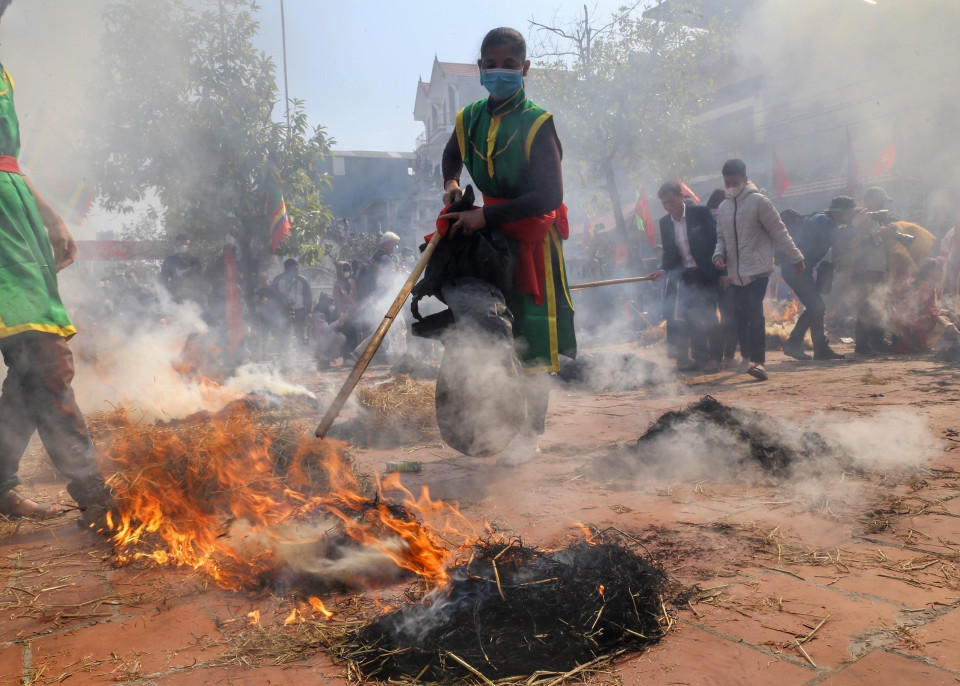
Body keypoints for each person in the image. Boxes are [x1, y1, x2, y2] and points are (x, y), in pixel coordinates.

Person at [438, 26, 575, 465]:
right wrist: (452, 184)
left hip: (532, 240)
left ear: (525, 68)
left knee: (532, 337)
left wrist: (486, 216)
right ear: (479, 68)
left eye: (509, 65)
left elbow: (550, 195)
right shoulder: (469, 117)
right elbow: (451, 156)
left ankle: (530, 436)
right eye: (492, 65)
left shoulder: (538, 123)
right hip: (491, 239)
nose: (500, 72)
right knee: (492, 333)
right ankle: (494, 427)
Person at [0, 8, 111, 522]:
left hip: (15, 216)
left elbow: (9, 161)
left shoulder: (3, 73)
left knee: (30, 371)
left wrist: (51, 218)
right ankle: (94, 494)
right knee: (44, 360)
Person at [712, 159, 805, 381]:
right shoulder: (723, 208)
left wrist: (796, 258)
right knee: (739, 316)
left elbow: (779, 232)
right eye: (727, 183)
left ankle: (759, 363)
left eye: (735, 182)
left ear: (745, 179)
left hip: (758, 270)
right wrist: (718, 255)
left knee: (754, 313)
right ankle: (746, 357)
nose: (731, 187)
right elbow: (721, 238)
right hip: (735, 273)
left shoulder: (760, 202)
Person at [647, 181, 721, 373]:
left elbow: (717, 241)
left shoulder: (700, 213)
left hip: (707, 274)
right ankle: (700, 359)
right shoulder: (665, 223)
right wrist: (663, 271)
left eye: (671, 201)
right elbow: (670, 254)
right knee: (690, 318)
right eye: (664, 203)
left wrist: (723, 272)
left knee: (709, 317)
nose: (668, 206)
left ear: (681, 196)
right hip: (687, 278)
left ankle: (715, 360)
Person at [780, 197, 857, 361]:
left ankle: (801, 345)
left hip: (798, 269)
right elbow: (841, 239)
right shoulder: (824, 221)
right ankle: (810, 347)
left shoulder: (824, 220)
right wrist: (856, 227)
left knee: (816, 307)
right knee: (817, 306)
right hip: (795, 269)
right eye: (850, 213)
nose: (852, 217)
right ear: (841, 213)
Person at [848, 191, 914, 355]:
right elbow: (851, 243)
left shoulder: (880, 219)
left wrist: (890, 233)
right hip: (864, 270)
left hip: (880, 269)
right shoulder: (859, 217)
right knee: (866, 307)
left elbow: (883, 245)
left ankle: (877, 342)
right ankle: (862, 345)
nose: (883, 204)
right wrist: (877, 233)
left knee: (880, 305)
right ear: (869, 200)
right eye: (880, 200)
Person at [891, 258, 959, 353]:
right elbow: (929, 312)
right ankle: (918, 345)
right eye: (938, 270)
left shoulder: (930, 286)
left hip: (914, 321)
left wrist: (948, 313)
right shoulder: (923, 287)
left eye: (941, 270)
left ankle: (920, 344)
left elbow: (932, 308)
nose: (941, 273)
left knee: (945, 319)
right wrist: (946, 324)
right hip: (907, 324)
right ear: (928, 272)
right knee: (941, 321)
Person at [272, 258, 312, 348]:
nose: (294, 271)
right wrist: (281, 300)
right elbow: (272, 294)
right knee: (284, 332)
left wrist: (309, 311)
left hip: (300, 310)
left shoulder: (302, 280)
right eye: (292, 269)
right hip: (283, 310)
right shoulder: (278, 280)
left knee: (300, 332)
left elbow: (308, 296)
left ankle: (301, 351)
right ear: (286, 269)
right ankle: (284, 351)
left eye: (295, 268)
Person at [159, 233, 203, 305]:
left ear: (189, 244)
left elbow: (199, 279)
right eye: (180, 243)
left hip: (192, 297)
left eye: (185, 243)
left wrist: (188, 273)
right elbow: (163, 279)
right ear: (176, 245)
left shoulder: (195, 261)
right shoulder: (170, 260)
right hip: (174, 297)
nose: (183, 246)